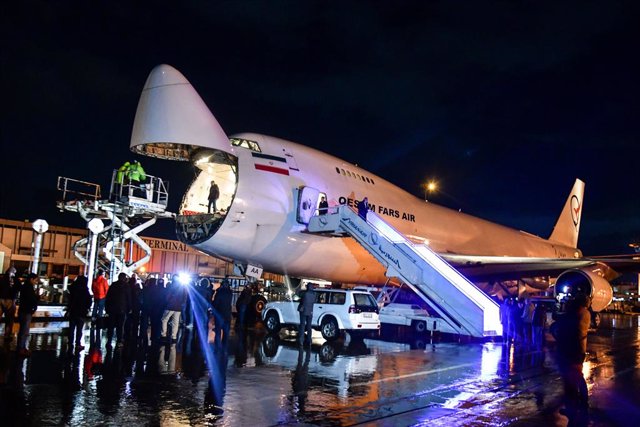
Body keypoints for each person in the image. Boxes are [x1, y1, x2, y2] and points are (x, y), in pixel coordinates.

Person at [551, 294, 591, 418]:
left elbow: (567, 330)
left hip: (572, 350)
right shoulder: (585, 313)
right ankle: (581, 403)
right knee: (577, 377)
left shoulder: (578, 315)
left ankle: (573, 407)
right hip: (577, 350)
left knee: (571, 380)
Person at [105, 272, 131, 348]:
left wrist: (107, 308)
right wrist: (129, 308)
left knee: (111, 326)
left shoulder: (113, 285)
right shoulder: (126, 286)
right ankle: (119, 341)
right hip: (122, 309)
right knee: (120, 326)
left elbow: (108, 297)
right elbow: (128, 299)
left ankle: (109, 341)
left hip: (112, 309)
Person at [67, 275, 92, 352]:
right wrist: (87, 307)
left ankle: (70, 343)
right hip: (81, 311)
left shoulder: (73, 288)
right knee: (79, 329)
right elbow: (89, 301)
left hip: (73, 311)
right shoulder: (85, 290)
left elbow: (70, 299)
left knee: (71, 328)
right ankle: (78, 344)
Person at [17, 273, 40, 357]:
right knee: (24, 330)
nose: (36, 282)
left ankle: (21, 347)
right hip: (27, 311)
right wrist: (36, 299)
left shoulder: (25, 287)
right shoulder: (29, 288)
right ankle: (21, 348)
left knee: (22, 330)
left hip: (23, 310)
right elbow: (31, 299)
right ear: (31, 279)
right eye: (35, 280)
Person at [160, 275, 188, 343]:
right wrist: (182, 304)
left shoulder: (171, 285)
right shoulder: (183, 287)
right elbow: (185, 296)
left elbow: (167, 295)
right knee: (176, 322)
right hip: (178, 307)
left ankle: (163, 335)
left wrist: (168, 302)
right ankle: (174, 337)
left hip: (170, 306)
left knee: (164, 320)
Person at [0, 266, 20, 341]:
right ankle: (7, 335)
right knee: (9, 319)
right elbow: (19, 288)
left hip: (1, 299)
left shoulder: (1, 278)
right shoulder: (15, 280)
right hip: (11, 300)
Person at [211, 279, 232, 347]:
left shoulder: (220, 293)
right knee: (226, 332)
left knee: (218, 331)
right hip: (227, 314)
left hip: (220, 314)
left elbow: (216, 303)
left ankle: (217, 345)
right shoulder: (230, 293)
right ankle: (224, 345)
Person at [296, 282, 315, 347]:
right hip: (310, 312)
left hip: (303, 311)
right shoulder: (314, 294)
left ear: (308, 287)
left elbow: (297, 293)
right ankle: (309, 341)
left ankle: (301, 340)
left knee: (302, 325)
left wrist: (301, 286)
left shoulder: (305, 293)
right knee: (309, 326)